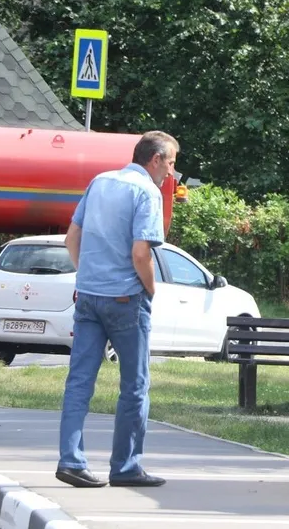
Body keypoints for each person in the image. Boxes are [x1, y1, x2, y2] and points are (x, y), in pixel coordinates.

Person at [55, 131, 179, 488]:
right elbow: (141, 254)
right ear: (155, 160)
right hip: (126, 299)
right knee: (135, 385)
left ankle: (71, 460)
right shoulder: (147, 192)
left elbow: (71, 238)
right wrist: (151, 290)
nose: (171, 172)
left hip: (89, 297)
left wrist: (88, 276)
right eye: (170, 163)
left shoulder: (100, 181)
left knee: (79, 381)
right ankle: (125, 467)